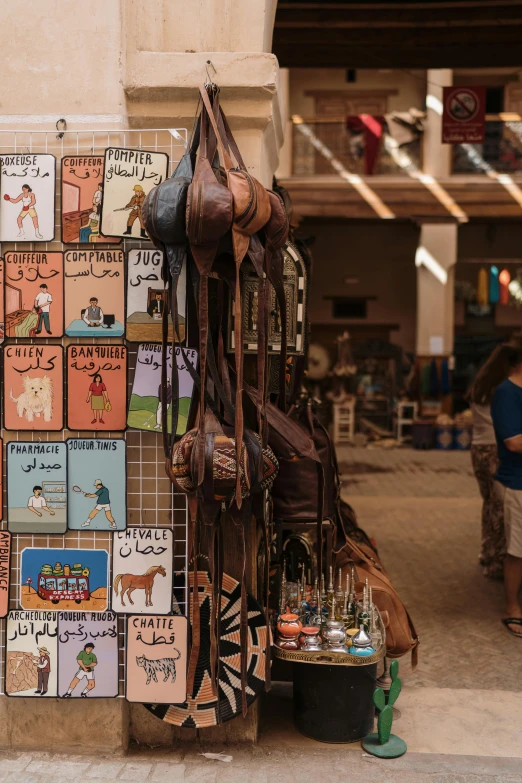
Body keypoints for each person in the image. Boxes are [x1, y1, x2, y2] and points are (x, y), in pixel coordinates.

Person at [467, 344, 515, 578]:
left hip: (478, 449)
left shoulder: (480, 385)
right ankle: (497, 564)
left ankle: (486, 553)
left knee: (488, 502)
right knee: (500, 507)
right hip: (496, 449)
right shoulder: (504, 390)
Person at [490, 344, 522, 637]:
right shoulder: (506, 393)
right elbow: (514, 442)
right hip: (517, 482)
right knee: (517, 549)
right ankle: (512, 607)